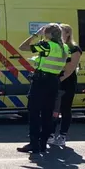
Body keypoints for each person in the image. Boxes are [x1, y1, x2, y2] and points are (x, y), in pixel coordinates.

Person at [17, 24, 67, 154]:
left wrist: (35, 35)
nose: (44, 34)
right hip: (53, 82)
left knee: (34, 112)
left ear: (49, 34)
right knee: (47, 114)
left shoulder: (47, 46)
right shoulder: (64, 47)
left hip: (41, 82)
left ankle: (34, 143)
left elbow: (22, 47)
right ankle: (43, 144)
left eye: (45, 32)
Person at [48, 24, 83, 147]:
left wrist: (58, 80)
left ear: (67, 33)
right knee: (53, 109)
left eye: (60, 32)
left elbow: (70, 70)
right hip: (55, 79)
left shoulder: (74, 48)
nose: (57, 34)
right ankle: (51, 134)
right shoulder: (57, 46)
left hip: (66, 81)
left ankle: (62, 135)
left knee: (65, 109)